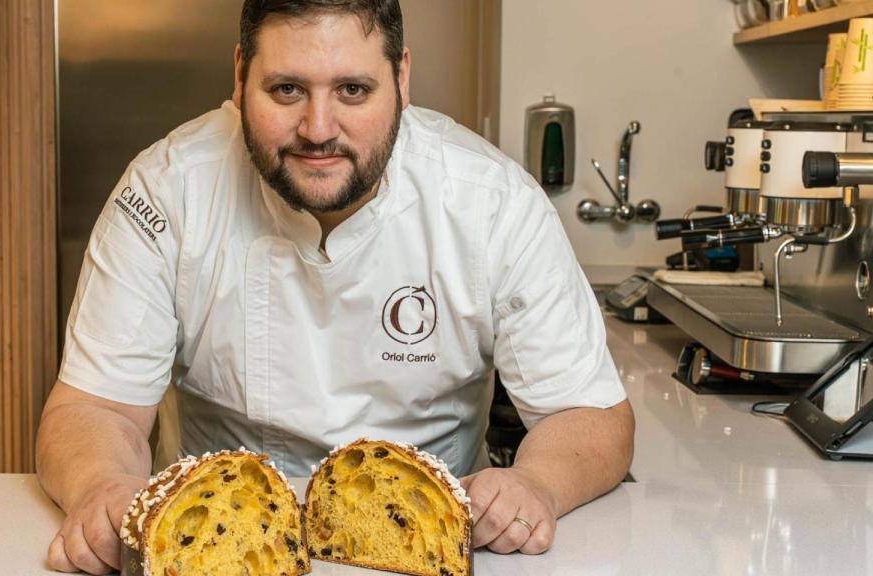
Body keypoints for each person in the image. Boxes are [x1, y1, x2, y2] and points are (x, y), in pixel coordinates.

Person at [36, 1, 635, 573]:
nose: (317, 129)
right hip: (219, 547)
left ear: (401, 79)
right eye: (287, 89)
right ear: (241, 75)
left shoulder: (495, 203)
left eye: (352, 90)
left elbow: (590, 414)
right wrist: (102, 486)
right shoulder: (168, 191)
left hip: (430, 549)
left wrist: (535, 486)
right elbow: (95, 407)